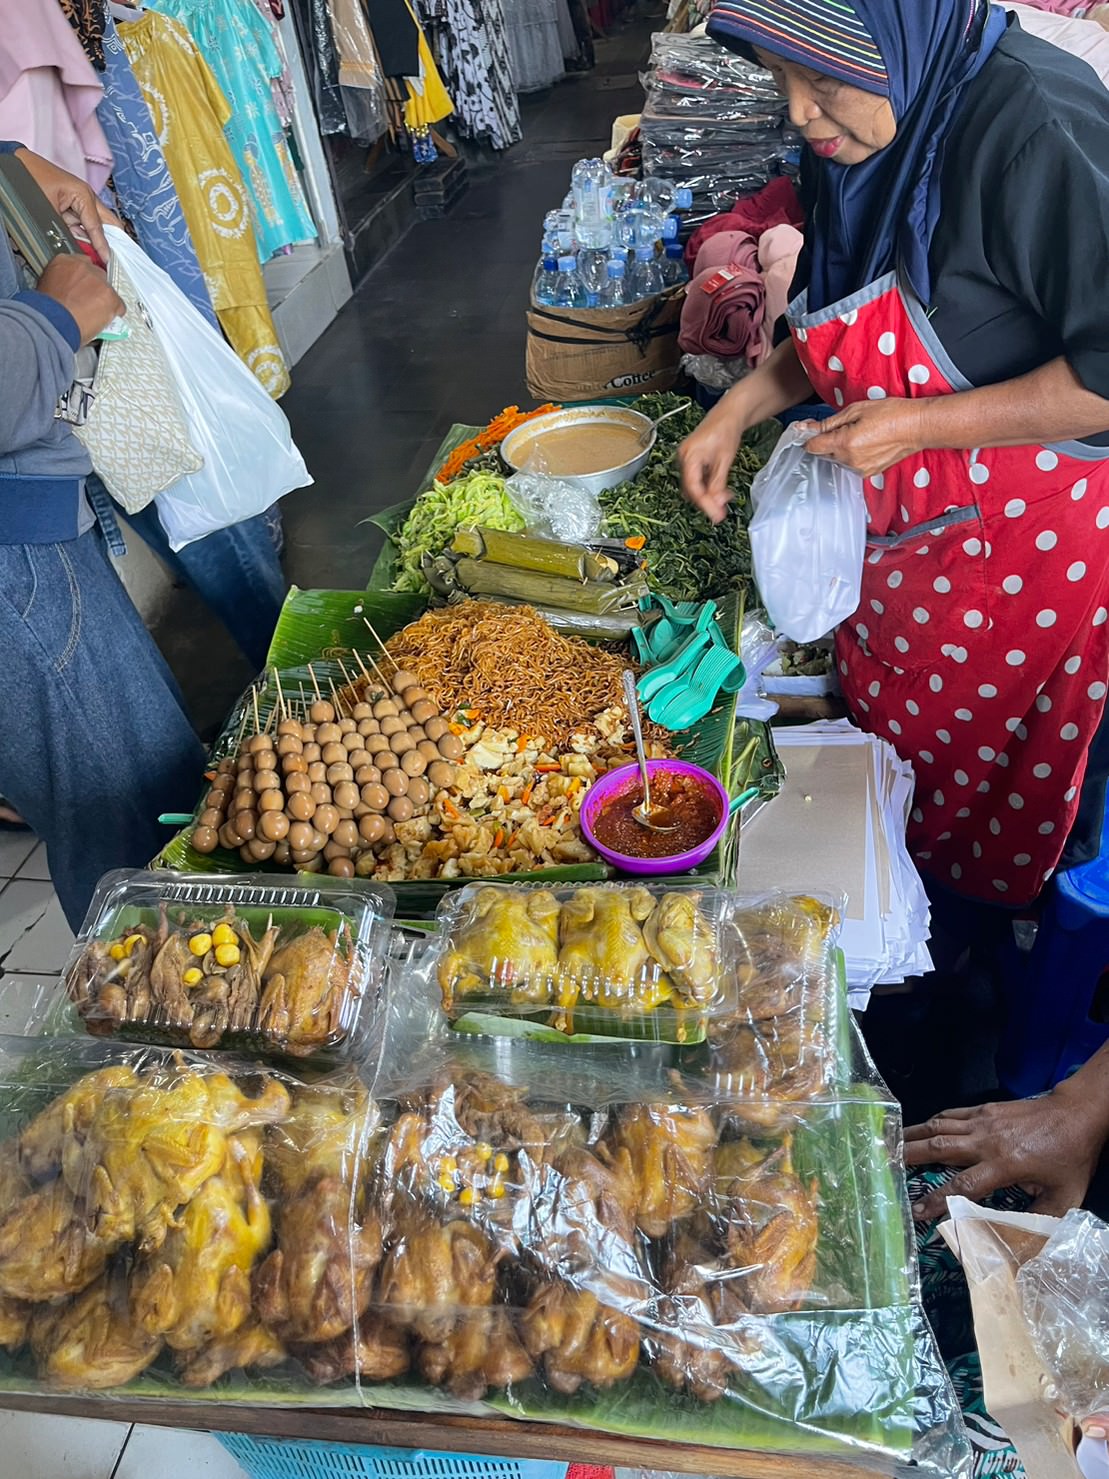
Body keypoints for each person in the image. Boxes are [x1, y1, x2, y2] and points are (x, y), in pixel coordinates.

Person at [679, 0, 1109, 1211]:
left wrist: (918, 426)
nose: (802, 117)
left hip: (1019, 554)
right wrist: (737, 406)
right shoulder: (865, 139)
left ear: (903, 36)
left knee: (1009, 792)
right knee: (907, 761)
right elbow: (834, 333)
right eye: (782, 81)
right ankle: (916, 940)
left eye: (826, 83)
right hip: (917, 539)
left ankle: (978, 962)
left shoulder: (1038, 131)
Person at [0, 140, 205, 929]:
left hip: (32, 545)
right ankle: (177, 1034)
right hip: (19, 570)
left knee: (142, 798)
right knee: (136, 827)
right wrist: (54, 316)